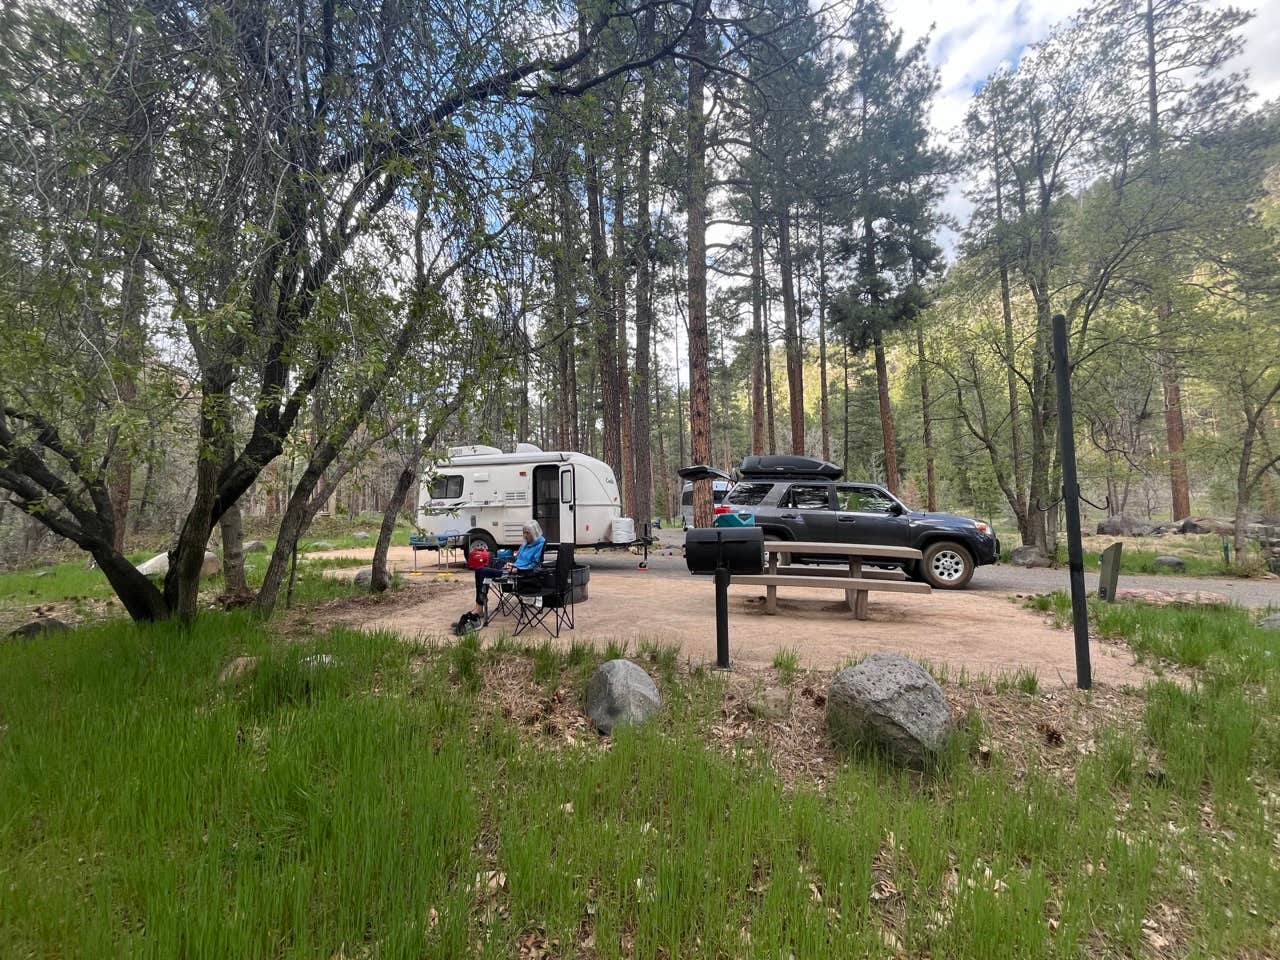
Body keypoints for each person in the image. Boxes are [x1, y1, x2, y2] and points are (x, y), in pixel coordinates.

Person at [469, 520, 546, 620]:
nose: (525, 535)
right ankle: (480, 603)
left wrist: (517, 569)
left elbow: (534, 565)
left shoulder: (540, 544)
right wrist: (510, 564)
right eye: (524, 532)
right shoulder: (525, 544)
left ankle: (479, 607)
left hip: (518, 573)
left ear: (534, 533)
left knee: (483, 572)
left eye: (527, 533)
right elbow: (518, 559)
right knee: (479, 570)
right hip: (513, 567)